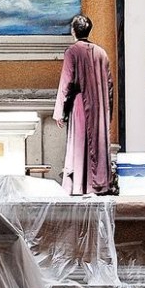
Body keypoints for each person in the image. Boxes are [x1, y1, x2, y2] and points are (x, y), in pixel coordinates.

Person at [53, 15, 113, 195]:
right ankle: (97, 185)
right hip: (99, 105)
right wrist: (107, 111)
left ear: (73, 31)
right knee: (96, 143)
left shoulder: (72, 52)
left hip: (80, 104)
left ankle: (78, 185)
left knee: (79, 144)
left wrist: (59, 111)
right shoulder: (101, 53)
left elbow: (67, 82)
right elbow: (109, 85)